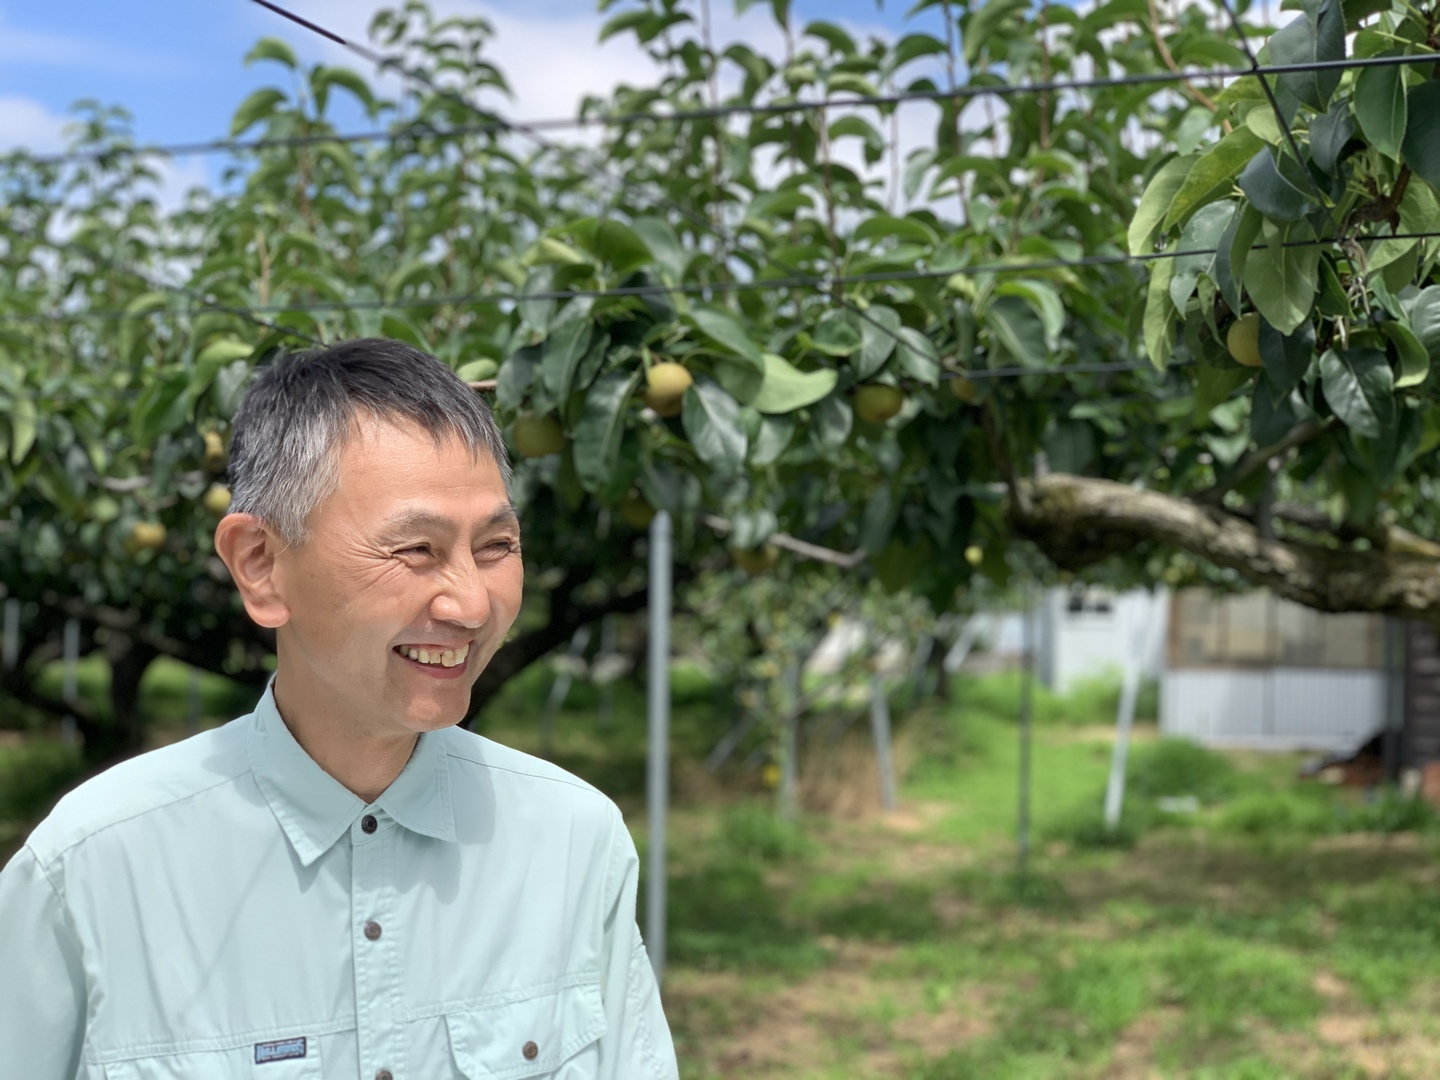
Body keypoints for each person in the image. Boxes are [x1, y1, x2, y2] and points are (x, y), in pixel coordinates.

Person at [0, 339, 679, 1079]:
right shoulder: (93, 870)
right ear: (261, 565)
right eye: (415, 549)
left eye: (496, 545)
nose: (472, 604)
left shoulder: (573, 841)